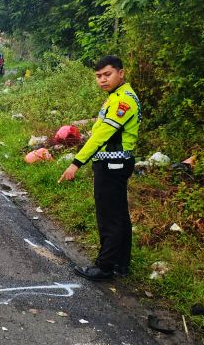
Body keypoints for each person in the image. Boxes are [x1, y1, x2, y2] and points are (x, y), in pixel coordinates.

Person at [58, 55, 142, 281]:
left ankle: (104, 267)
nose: (103, 80)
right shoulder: (115, 97)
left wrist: (76, 163)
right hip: (113, 163)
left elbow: (100, 136)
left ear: (121, 73)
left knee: (109, 218)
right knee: (120, 216)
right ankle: (120, 265)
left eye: (108, 74)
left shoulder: (123, 101)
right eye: (98, 76)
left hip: (113, 165)